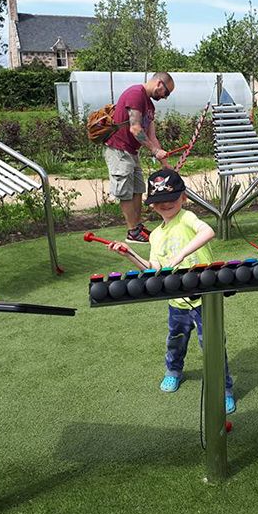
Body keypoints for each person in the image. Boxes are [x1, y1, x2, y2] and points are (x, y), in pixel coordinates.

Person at [108, 168, 236, 414]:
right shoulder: (155, 236)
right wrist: (130, 254)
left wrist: (181, 254)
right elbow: (154, 268)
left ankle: (224, 390)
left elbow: (208, 231)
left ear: (183, 198)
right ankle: (174, 371)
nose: (165, 204)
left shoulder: (187, 218)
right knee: (175, 342)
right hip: (176, 302)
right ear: (152, 205)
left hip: (205, 299)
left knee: (213, 346)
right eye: (159, 201)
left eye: (171, 199)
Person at [104, 72, 175, 245]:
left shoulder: (150, 106)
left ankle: (137, 227)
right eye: (166, 93)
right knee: (126, 191)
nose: (165, 98)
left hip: (132, 152)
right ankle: (132, 231)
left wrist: (165, 164)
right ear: (159, 83)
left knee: (138, 188)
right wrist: (154, 150)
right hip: (119, 150)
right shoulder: (135, 94)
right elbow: (135, 128)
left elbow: (152, 137)